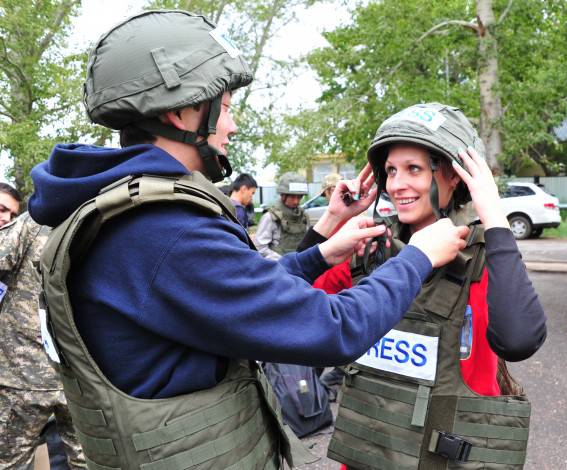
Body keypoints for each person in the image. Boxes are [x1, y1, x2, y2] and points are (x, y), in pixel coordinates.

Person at [27, 11, 471, 470]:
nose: (232, 126)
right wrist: (418, 256)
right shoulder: (165, 231)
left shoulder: (122, 210)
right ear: (180, 110)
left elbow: (224, 292)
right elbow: (333, 328)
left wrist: (320, 250)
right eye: (228, 106)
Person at [313, 103, 546, 469]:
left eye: (414, 169)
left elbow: (518, 339)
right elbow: (287, 304)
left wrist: (495, 217)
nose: (397, 184)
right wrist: (331, 221)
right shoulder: (370, 249)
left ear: (454, 177)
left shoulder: (482, 256)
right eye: (390, 170)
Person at [0, 207, 86, 469]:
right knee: (90, 460)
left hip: (25, 378)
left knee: (10, 461)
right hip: (79, 374)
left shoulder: (34, 221)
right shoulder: (103, 216)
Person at [254, 171, 310, 260]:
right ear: (283, 195)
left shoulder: (303, 217)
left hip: (300, 265)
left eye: (299, 197)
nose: (296, 201)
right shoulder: (270, 217)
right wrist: (284, 261)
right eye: (292, 197)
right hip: (278, 268)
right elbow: (260, 248)